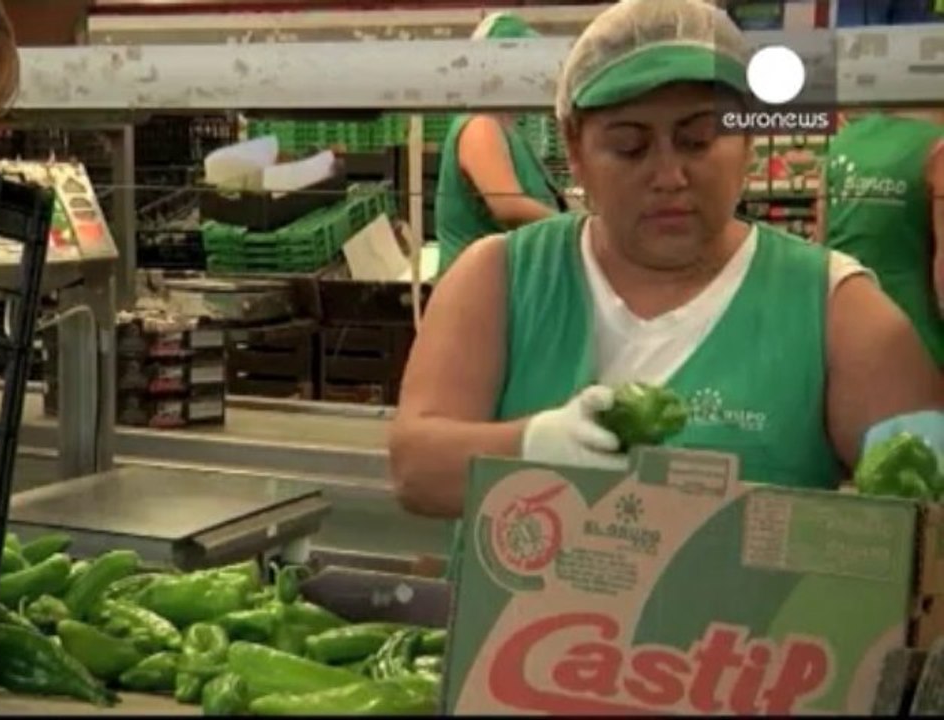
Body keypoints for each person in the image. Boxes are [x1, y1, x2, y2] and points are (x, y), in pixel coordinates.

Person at [389, 0, 944, 575]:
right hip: (517, 656)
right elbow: (414, 468)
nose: (669, 176)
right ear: (576, 152)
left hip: (740, 655)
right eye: (629, 147)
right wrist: (533, 447)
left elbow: (924, 488)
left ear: (748, 143)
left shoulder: (833, 305)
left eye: (699, 140)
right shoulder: (499, 277)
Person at [433, 11, 565, 276]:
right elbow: (509, 206)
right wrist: (580, 230)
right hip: (477, 290)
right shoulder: (480, 125)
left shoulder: (511, 130)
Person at [818, 110, 944, 366]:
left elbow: (819, 248)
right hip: (917, 341)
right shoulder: (937, 148)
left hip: (841, 332)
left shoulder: (843, 142)